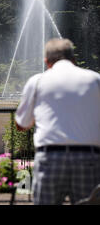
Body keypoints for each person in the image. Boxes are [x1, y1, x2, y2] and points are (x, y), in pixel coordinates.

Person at [15, 38, 100, 205]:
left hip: (50, 157)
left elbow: (21, 124)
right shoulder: (95, 79)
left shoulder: (37, 81)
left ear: (47, 62)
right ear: (73, 59)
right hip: (88, 157)